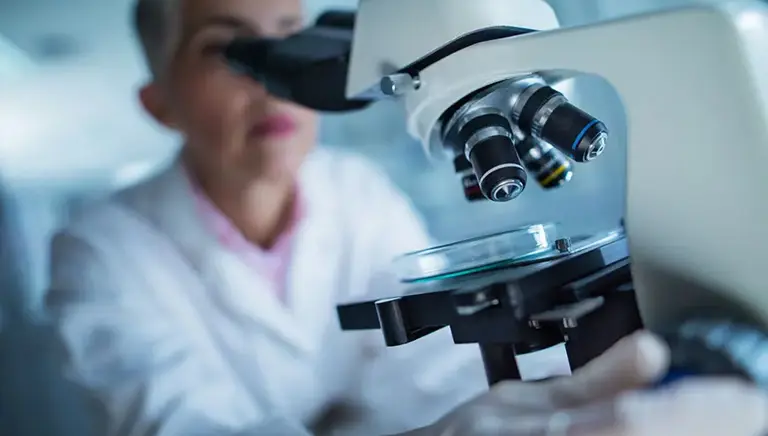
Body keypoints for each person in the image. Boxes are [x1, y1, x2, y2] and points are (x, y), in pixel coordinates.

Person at [45, 0, 768, 435]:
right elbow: (183, 426)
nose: (266, 85)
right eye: (226, 50)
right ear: (159, 103)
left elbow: (430, 378)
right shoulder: (99, 249)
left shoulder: (356, 190)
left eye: (283, 35)